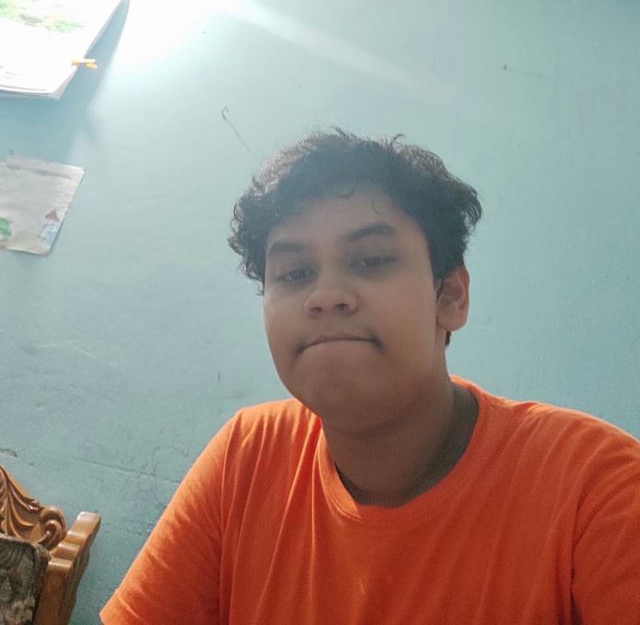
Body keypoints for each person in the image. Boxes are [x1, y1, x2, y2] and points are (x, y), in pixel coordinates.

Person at [101, 128, 640, 624]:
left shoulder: (598, 486)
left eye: (371, 260)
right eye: (294, 273)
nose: (325, 296)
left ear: (451, 296)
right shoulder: (249, 454)